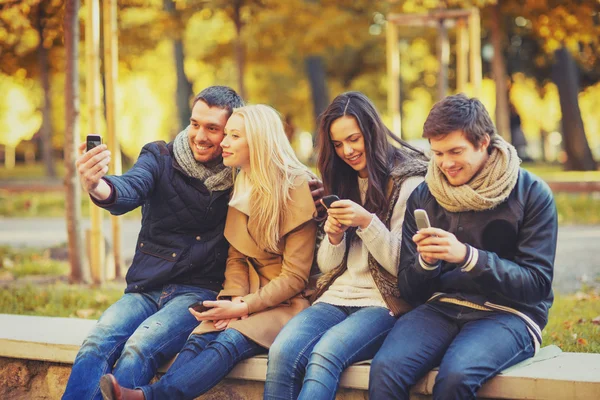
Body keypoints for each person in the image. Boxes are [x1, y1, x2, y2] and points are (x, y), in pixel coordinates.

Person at [98, 104, 318, 400]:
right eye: (225, 134)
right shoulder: (241, 182)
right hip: (245, 293)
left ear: (259, 141)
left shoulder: (297, 188)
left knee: (230, 340)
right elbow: (237, 257)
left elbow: (295, 277)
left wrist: (244, 308)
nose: (223, 143)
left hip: (286, 302)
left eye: (234, 136)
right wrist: (231, 300)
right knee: (198, 338)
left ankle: (145, 397)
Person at [369, 93, 557, 400]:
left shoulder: (532, 193)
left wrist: (468, 257)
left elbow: (536, 285)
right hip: (442, 307)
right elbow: (409, 289)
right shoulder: (425, 195)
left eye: (455, 151)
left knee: (456, 376)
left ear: (483, 142)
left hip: (510, 313)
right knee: (386, 369)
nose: (446, 164)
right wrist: (426, 263)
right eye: (437, 153)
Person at [62, 86, 244, 400]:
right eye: (195, 124)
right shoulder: (160, 156)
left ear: (230, 133)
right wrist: (97, 185)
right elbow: (129, 188)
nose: (199, 135)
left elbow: (280, 179)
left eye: (212, 129)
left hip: (199, 290)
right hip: (148, 284)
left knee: (138, 348)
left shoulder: (243, 175)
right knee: (96, 342)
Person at [264, 91, 428, 400]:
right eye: (338, 144)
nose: (347, 151)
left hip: (384, 303)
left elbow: (402, 266)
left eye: (353, 139)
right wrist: (334, 235)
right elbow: (329, 266)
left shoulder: (410, 182)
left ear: (372, 132)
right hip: (337, 295)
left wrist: (367, 223)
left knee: (325, 355)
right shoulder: (345, 179)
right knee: (283, 351)